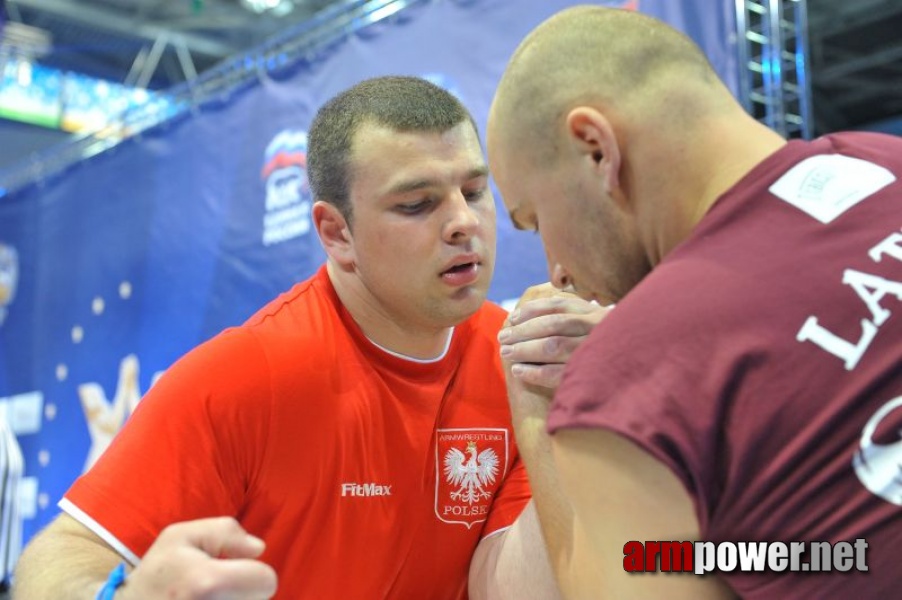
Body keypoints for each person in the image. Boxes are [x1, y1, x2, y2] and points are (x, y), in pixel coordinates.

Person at [11, 76, 592, 599]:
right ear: (336, 233)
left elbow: (512, 589)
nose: (463, 222)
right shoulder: (250, 374)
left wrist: (562, 419)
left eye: (472, 190)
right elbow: (54, 562)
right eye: (416, 204)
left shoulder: (517, 361)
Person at [488, 5, 902, 600]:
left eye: (535, 220)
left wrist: (534, 408)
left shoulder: (633, 381)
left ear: (596, 148)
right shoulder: (882, 162)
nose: (556, 268)